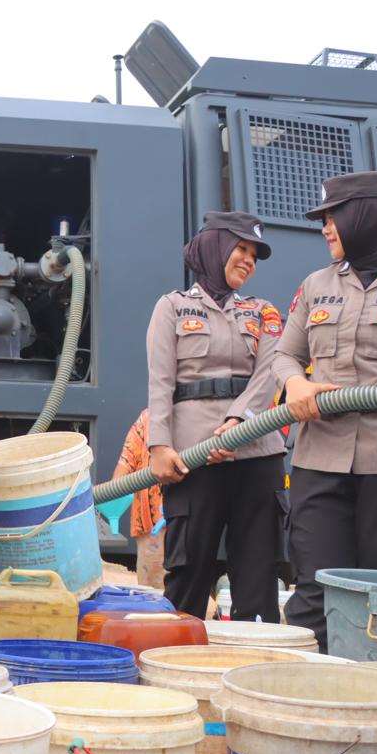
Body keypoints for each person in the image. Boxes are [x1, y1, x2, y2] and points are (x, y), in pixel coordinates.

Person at [275, 170, 377, 650]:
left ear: (366, 217)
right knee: (313, 591)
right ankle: (305, 707)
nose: (325, 228)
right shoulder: (316, 285)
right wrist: (294, 382)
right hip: (320, 461)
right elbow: (283, 354)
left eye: (333, 216)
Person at [146, 211, 284, 622]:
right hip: (192, 458)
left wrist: (240, 422)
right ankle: (175, 666)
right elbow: (160, 382)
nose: (248, 259)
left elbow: (273, 368)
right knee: (188, 575)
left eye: (254, 254)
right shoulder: (172, 307)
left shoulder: (264, 311)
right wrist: (159, 445)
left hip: (258, 453)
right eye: (241, 248)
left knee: (258, 579)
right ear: (216, 247)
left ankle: (253, 669)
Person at [110, 409, 165, 589]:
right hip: (151, 529)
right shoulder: (147, 419)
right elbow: (126, 461)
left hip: (186, 523)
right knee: (150, 593)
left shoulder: (196, 417)